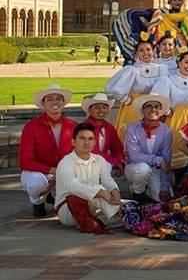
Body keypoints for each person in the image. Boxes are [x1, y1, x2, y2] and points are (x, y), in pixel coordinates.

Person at [20, 84, 77, 217]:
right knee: (36, 183)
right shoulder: (31, 127)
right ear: (43, 104)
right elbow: (24, 161)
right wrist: (53, 171)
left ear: (63, 102)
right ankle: (37, 201)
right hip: (39, 172)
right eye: (49, 99)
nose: (55, 102)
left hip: (65, 170)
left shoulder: (73, 126)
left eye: (58, 98)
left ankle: (54, 193)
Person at [54, 122, 122, 233]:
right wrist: (100, 192)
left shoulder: (99, 160)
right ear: (73, 142)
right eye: (82, 138)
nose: (86, 142)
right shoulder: (66, 162)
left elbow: (107, 179)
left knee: (110, 194)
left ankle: (117, 214)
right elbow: (73, 186)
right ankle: (118, 215)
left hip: (92, 205)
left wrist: (114, 190)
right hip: (69, 208)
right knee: (98, 191)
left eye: (90, 139)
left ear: (95, 142)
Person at [150, 50, 188, 170]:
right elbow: (157, 98)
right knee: (176, 146)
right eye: (186, 62)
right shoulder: (168, 80)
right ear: (179, 62)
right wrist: (168, 111)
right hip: (175, 118)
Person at [105, 36, 164, 141]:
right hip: (135, 108)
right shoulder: (132, 70)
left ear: (153, 51)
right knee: (135, 136)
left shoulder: (161, 69)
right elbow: (113, 88)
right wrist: (127, 100)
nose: (145, 52)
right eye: (141, 50)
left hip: (154, 109)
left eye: (148, 49)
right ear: (137, 53)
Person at [123, 94, 174, 204]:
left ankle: (147, 190)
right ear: (142, 110)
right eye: (149, 106)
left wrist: (165, 187)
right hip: (135, 167)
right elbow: (135, 156)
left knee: (165, 200)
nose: (153, 109)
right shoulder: (133, 129)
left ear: (161, 111)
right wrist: (158, 160)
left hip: (156, 169)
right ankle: (138, 192)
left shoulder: (166, 131)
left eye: (157, 106)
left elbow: (166, 159)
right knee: (143, 169)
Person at [80, 93, 124, 176]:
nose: (101, 110)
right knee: (105, 166)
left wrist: (120, 162)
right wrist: (115, 162)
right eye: (97, 107)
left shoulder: (109, 127)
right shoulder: (84, 127)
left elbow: (117, 148)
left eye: (104, 107)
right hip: (84, 162)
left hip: (103, 161)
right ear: (89, 110)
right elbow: (93, 151)